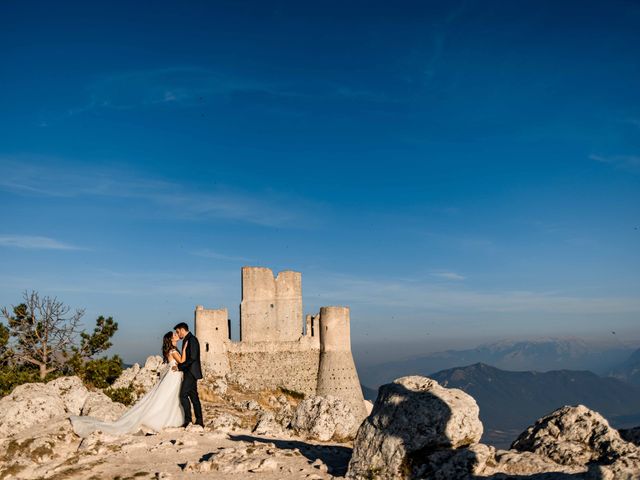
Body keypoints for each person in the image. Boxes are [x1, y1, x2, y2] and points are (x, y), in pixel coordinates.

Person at [69, 331, 186, 437]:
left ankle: (166, 419)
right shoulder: (173, 350)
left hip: (172, 374)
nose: (176, 335)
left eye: (176, 334)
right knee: (169, 397)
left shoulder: (169, 350)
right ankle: (161, 420)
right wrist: (185, 349)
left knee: (168, 397)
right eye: (174, 335)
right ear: (170, 339)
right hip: (173, 375)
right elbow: (181, 361)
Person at [173, 322, 204, 428]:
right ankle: (199, 421)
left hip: (191, 372)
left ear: (182, 330)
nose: (177, 334)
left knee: (183, 395)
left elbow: (193, 358)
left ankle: (188, 421)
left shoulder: (192, 340)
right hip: (189, 372)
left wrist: (180, 367)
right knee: (194, 397)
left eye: (177, 331)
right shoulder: (188, 340)